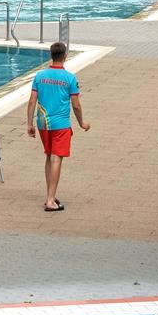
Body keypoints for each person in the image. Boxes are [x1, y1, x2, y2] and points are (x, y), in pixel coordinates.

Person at [26, 41, 89, 212]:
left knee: (49, 156)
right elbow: (76, 105)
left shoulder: (40, 76)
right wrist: (82, 123)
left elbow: (32, 100)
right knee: (56, 158)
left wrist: (29, 124)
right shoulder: (70, 78)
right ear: (65, 56)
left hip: (43, 123)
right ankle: (50, 200)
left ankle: (50, 194)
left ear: (51, 55)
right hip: (60, 124)